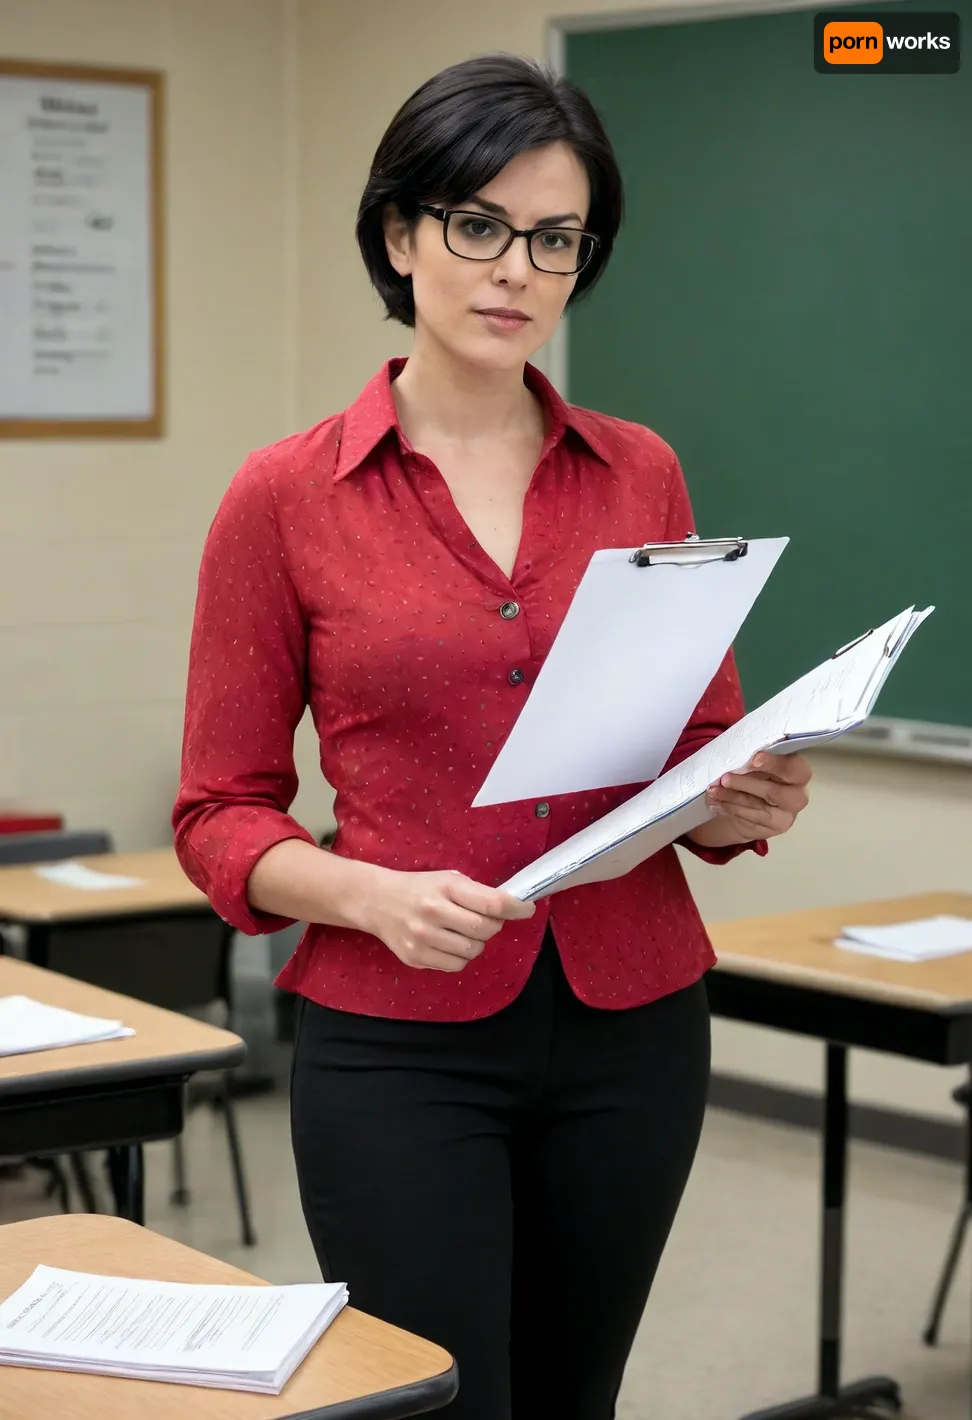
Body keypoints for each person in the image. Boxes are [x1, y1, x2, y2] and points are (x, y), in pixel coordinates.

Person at [173, 52, 812, 1420]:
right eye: (478, 225)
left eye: (556, 239)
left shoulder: (639, 469)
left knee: (578, 1396)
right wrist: (369, 896)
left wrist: (732, 799)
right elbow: (217, 814)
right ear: (401, 236)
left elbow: (693, 739)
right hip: (395, 1040)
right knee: (444, 1404)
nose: (514, 268)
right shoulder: (283, 495)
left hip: (634, 1021)